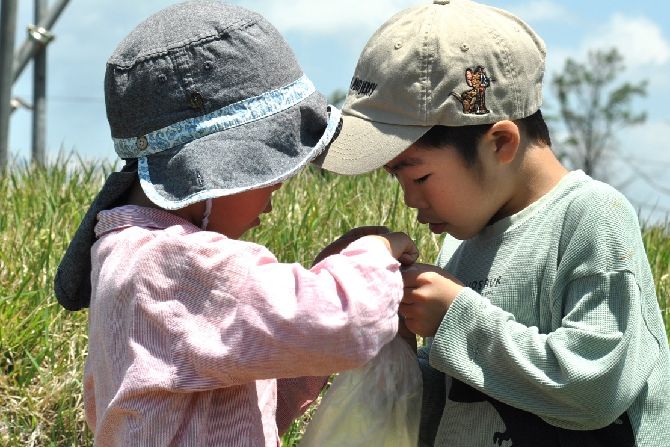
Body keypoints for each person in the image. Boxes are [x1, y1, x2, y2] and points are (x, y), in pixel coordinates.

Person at [53, 2, 419, 445]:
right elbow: (341, 321)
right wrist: (378, 251)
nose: (281, 183)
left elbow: (252, 381)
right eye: (268, 169)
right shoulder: (174, 264)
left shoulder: (127, 256)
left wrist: (332, 270)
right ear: (210, 172)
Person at [315, 0, 670, 446]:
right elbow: (462, 406)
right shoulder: (460, 248)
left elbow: (596, 391)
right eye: (396, 177)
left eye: (419, 174)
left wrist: (454, 319)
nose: (410, 199)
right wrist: (399, 340)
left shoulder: (591, 217)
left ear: (500, 142)